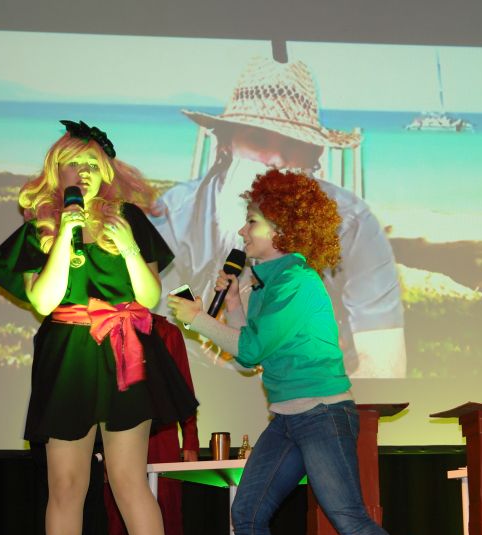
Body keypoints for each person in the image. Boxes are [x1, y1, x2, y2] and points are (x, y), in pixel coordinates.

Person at [168, 168, 434, 535]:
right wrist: (232, 303)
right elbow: (249, 351)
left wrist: (197, 319)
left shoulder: (297, 280)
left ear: (283, 230)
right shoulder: (267, 284)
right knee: (247, 513)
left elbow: (251, 349)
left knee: (349, 518)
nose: (243, 231)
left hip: (322, 415)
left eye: (253, 221)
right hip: (289, 418)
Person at [0, 120, 198, 535]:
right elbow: (44, 300)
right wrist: (66, 234)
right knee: (66, 487)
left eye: (90, 164)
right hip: (69, 357)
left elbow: (149, 297)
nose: (81, 172)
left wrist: (128, 249)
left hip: (125, 352)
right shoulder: (40, 229)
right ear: (55, 173)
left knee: (129, 480)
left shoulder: (130, 221)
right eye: (71, 165)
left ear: (105, 171)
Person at [154, 54, 405, 378]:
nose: (275, 159)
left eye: (293, 143)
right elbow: (160, 313)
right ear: (227, 143)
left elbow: (382, 361)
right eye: (258, 138)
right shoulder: (175, 214)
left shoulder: (352, 224)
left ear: (314, 154)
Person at [103, 313, 199, 535]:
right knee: (118, 531)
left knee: (169, 527)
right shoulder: (103, 326)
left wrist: (190, 439)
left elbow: (183, 386)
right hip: (118, 436)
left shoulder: (167, 332)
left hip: (161, 437)